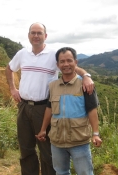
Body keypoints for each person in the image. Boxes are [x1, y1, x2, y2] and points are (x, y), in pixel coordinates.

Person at [5, 23, 95, 175]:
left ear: (45, 36)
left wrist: (85, 76)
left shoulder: (53, 54)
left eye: (39, 33)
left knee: (46, 149)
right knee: (25, 147)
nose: (36, 36)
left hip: (44, 108)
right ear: (28, 35)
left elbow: (70, 65)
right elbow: (9, 68)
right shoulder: (22, 54)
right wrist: (13, 89)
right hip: (24, 106)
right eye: (33, 33)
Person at [36, 47, 102, 175]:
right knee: (61, 172)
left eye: (69, 60)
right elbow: (49, 109)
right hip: (57, 141)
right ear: (58, 65)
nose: (66, 64)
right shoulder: (53, 86)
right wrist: (43, 129)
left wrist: (95, 133)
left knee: (85, 173)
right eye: (62, 61)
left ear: (76, 62)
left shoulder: (85, 85)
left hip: (79, 140)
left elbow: (92, 111)